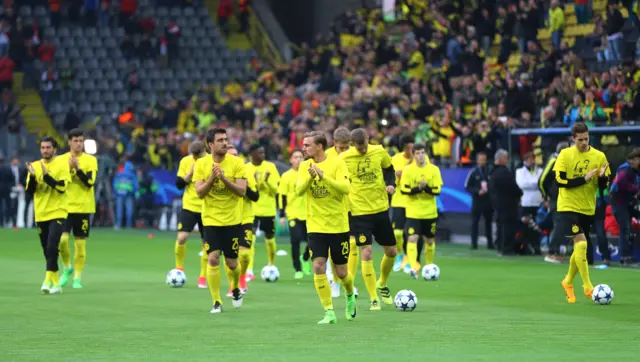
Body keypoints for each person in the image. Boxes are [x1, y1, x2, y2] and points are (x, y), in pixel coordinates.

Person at [296, 131, 356, 324]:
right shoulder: (305, 166)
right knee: (318, 265)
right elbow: (298, 191)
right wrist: (311, 178)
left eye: (307, 145)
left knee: (342, 273)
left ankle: (349, 295)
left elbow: (345, 189)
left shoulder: (337, 163)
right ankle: (329, 311)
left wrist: (323, 177)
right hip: (315, 225)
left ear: (319, 146)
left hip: (338, 225)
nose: (303, 148)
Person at [340, 129, 397, 310]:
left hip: (380, 209)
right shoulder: (345, 158)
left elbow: (389, 169)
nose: (362, 150)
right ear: (352, 144)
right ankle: (373, 298)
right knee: (366, 252)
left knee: (392, 252)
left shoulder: (379, 151)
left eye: (364, 146)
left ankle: (382, 283)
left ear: (368, 139)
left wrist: (390, 184)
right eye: (358, 147)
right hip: (359, 212)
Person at [194, 128, 247, 314]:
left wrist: (223, 178)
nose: (225, 143)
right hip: (210, 220)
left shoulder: (237, 163)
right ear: (210, 145)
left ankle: (235, 287)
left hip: (232, 220)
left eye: (226, 139)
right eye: (220, 140)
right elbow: (200, 193)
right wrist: (212, 178)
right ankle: (216, 301)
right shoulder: (201, 164)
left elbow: (242, 191)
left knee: (232, 263)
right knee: (213, 258)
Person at [555, 123, 610, 303]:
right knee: (581, 243)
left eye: (586, 139)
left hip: (587, 207)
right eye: (580, 140)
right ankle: (588, 286)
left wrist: (602, 178)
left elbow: (603, 187)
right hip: (567, 206)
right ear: (572, 139)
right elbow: (560, 181)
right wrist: (583, 178)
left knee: (580, 247)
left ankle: (568, 281)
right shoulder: (565, 154)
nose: (583, 143)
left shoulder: (599, 156)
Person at [25, 136, 70, 294]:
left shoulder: (62, 164)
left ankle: (46, 280)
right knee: (47, 250)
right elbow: (30, 192)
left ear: (54, 149)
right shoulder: (35, 166)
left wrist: (46, 177)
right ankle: (56, 284)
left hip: (58, 211)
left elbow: (62, 188)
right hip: (41, 213)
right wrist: (32, 177)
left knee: (52, 246)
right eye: (43, 148)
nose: (45, 150)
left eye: (48, 148)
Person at [57, 129, 98, 289]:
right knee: (62, 241)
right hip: (65, 206)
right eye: (75, 141)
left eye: (81, 141)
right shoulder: (61, 160)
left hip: (83, 207)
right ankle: (67, 267)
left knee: (80, 245)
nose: (79, 144)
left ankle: (77, 277)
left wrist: (78, 169)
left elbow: (90, 183)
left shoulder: (91, 160)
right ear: (69, 142)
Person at [400, 143, 443, 279]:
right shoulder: (408, 170)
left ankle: (429, 266)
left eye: (423, 153)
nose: (421, 156)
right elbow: (404, 190)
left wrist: (425, 188)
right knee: (412, 238)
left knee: (429, 241)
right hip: (413, 212)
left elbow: (437, 190)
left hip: (429, 212)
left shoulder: (434, 170)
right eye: (418, 153)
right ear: (413, 154)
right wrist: (419, 188)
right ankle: (413, 267)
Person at [323, 126, 356, 298]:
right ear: (334, 143)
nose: (344, 151)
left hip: (352, 206)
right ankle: (333, 280)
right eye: (341, 148)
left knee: (352, 245)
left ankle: (349, 281)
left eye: (347, 147)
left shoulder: (354, 155)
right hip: (331, 208)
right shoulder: (327, 156)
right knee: (332, 246)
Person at [173, 140, 208, 289]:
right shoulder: (186, 161)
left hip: (207, 207)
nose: (194, 157)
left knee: (206, 244)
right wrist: (190, 173)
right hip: (189, 205)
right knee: (182, 237)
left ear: (203, 152)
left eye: (196, 155)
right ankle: (179, 269)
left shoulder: (210, 162)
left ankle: (203, 276)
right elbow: (179, 184)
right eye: (192, 155)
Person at [245, 144, 280, 281]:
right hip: (252, 209)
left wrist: (265, 181)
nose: (262, 155)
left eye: (263, 152)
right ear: (252, 154)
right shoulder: (246, 168)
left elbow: (276, 190)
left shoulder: (270, 167)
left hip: (268, 209)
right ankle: (249, 270)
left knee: (270, 240)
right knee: (251, 239)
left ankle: (271, 264)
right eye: (259, 152)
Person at [226, 145, 258, 294]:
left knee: (244, 255)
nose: (234, 157)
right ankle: (232, 285)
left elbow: (255, 197)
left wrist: (243, 189)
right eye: (230, 155)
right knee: (230, 256)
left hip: (245, 217)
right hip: (227, 218)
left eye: (236, 154)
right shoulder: (221, 172)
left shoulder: (246, 172)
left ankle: (243, 275)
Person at [278, 149, 308, 279]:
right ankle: (298, 269)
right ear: (290, 160)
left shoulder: (308, 174)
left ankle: (305, 258)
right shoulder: (286, 176)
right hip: (293, 213)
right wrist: (282, 215)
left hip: (308, 213)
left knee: (313, 242)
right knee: (295, 240)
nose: (298, 160)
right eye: (295, 157)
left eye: (300, 157)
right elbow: (282, 196)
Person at [539, 141, 570, 263]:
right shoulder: (553, 161)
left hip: (564, 199)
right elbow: (542, 180)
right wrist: (546, 196)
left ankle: (557, 252)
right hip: (556, 199)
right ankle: (551, 252)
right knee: (559, 224)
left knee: (563, 225)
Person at [609, 148, 640, 266]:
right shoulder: (626, 169)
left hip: (627, 203)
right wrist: (636, 190)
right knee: (625, 228)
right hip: (619, 202)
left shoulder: (635, 170)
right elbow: (622, 182)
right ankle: (625, 257)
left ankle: (627, 255)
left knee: (628, 229)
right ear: (634, 159)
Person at [490, 149, 523, 256]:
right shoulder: (504, 172)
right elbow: (512, 186)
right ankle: (507, 248)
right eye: (506, 157)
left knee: (500, 225)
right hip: (508, 203)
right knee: (508, 226)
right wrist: (519, 193)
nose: (507, 160)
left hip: (498, 203)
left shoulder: (492, 172)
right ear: (502, 159)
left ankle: (500, 246)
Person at [390, 134, 415, 271]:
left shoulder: (420, 159)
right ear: (404, 148)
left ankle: (409, 259)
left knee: (412, 234)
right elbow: (390, 180)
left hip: (413, 201)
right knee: (398, 233)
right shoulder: (395, 160)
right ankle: (400, 255)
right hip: (399, 200)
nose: (411, 151)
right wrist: (397, 176)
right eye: (409, 148)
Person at [464, 152, 493, 250]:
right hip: (477, 201)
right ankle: (474, 243)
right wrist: (477, 191)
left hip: (488, 201)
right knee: (474, 222)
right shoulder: (473, 172)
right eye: (481, 159)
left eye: (484, 159)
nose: (483, 162)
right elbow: (467, 186)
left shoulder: (490, 170)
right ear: (477, 160)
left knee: (488, 222)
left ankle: (490, 243)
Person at [516, 151, 543, 254]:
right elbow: (522, 184)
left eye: (533, 159)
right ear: (525, 160)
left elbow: (541, 183)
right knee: (525, 226)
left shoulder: (540, 170)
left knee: (537, 227)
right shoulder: (519, 171)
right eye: (530, 159)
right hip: (526, 202)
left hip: (537, 202)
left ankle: (537, 246)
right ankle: (525, 247)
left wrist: (532, 184)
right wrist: (535, 183)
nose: (533, 161)